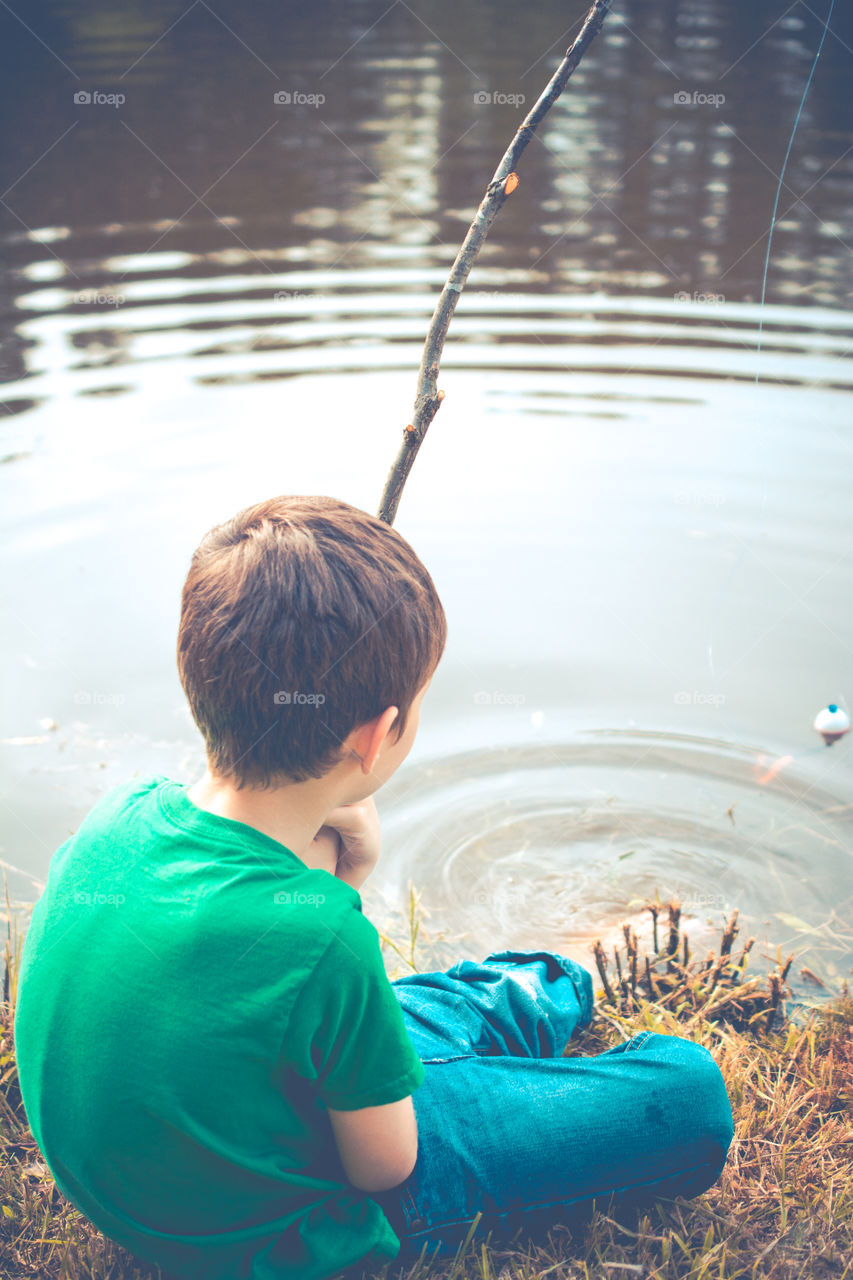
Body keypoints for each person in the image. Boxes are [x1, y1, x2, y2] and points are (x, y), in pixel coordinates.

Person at [13, 495, 734, 1280]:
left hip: (158, 1173)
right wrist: (342, 896)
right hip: (289, 1226)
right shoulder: (323, 940)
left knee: (503, 995)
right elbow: (384, 1167)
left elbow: (236, 943)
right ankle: (547, 1013)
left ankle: (554, 981)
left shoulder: (118, 817)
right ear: (373, 736)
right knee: (689, 1095)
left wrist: (334, 872)